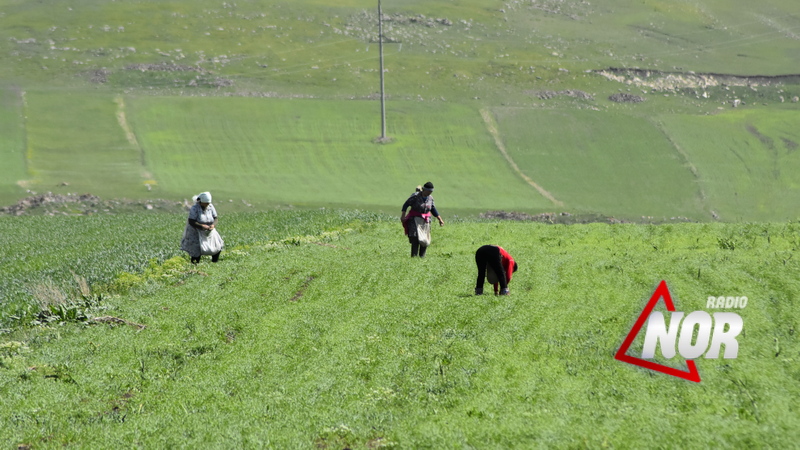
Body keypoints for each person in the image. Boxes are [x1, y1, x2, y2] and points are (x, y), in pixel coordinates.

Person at [400, 181, 444, 257]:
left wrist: (440, 219)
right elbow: (406, 204)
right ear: (424, 190)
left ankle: (422, 257)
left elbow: (433, 209)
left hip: (425, 221)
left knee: (424, 239)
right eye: (429, 191)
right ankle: (414, 257)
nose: (430, 193)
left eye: (431, 191)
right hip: (414, 219)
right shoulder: (415, 197)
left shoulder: (430, 198)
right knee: (415, 238)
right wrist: (403, 215)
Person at [181, 191, 223, 264]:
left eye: (208, 203)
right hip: (196, 231)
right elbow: (191, 221)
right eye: (206, 203)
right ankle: (195, 265)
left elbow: (215, 218)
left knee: (217, 246)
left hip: (209, 230)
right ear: (201, 202)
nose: (207, 204)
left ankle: (214, 262)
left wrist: (213, 225)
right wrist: (201, 226)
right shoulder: (195, 208)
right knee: (196, 250)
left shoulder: (210, 207)